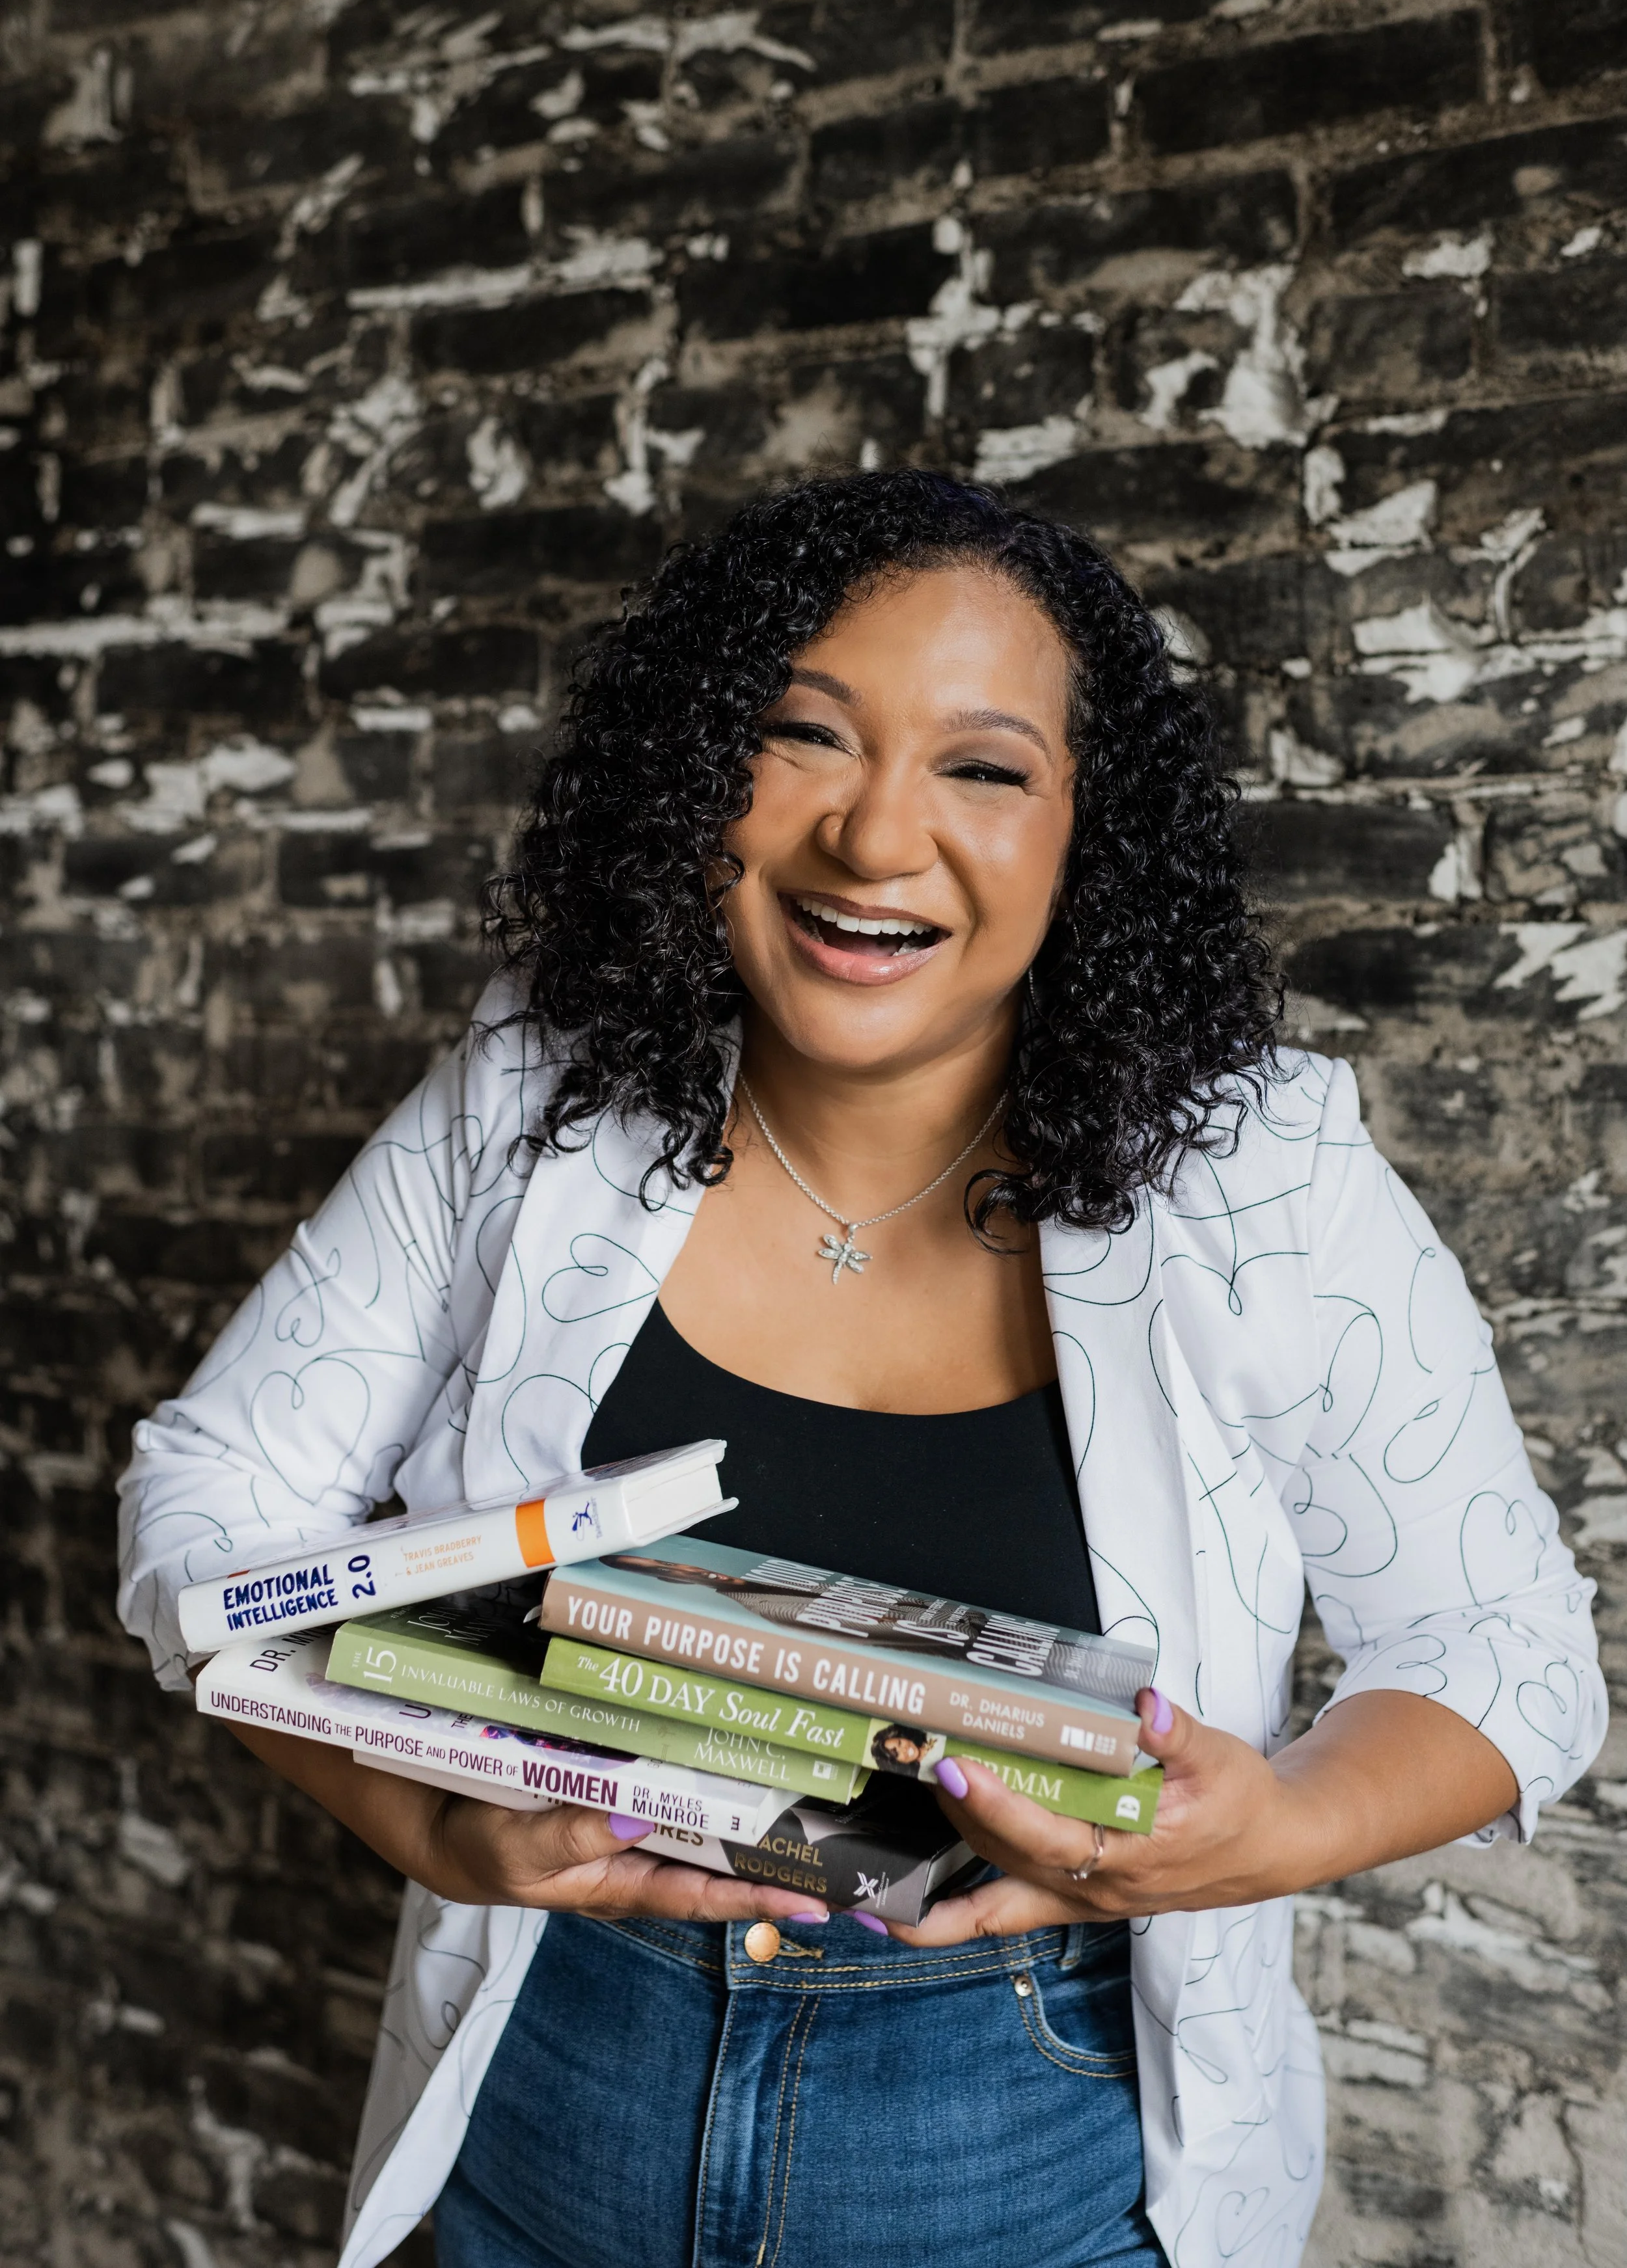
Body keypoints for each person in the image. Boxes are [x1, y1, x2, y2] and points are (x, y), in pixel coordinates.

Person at [118, 471, 1605, 2268]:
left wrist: (1266, 1824)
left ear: (1086, 829)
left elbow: (1503, 1658)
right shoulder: (539, 1093)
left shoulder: (1257, 1176)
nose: (875, 836)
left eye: (982, 767)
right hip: (549, 2089)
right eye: (801, 737)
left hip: (1026, 2133)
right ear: (694, 778)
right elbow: (209, 1498)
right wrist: (419, 1813)